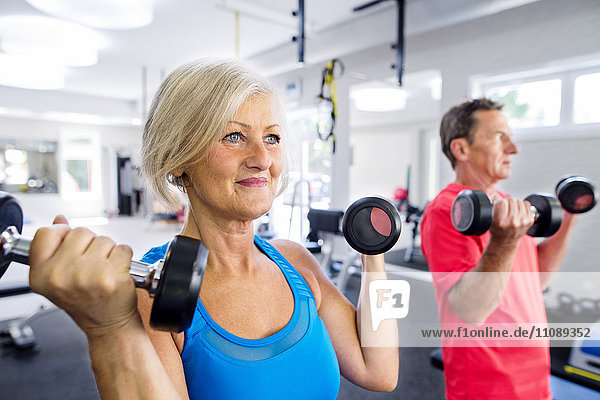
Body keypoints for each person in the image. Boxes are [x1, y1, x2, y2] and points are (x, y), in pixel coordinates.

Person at [28, 58, 399, 399]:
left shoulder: (296, 262)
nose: (263, 158)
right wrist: (109, 329)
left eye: (271, 137)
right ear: (179, 158)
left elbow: (380, 372)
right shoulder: (150, 291)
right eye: (234, 136)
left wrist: (374, 256)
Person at [420, 98, 578, 399]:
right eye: (499, 137)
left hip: (533, 373)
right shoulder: (448, 209)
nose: (513, 149)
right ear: (461, 149)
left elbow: (536, 280)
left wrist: (568, 216)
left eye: (510, 137)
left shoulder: (505, 204)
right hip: (487, 381)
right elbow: (470, 310)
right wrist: (504, 241)